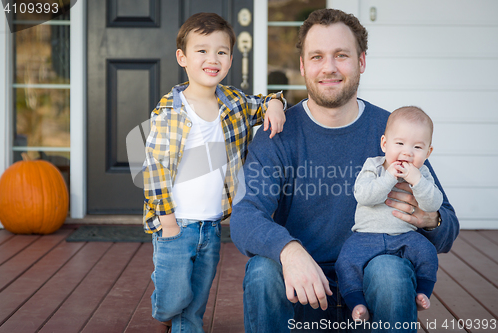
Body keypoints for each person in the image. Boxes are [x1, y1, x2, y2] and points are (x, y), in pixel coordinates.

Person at [230, 8, 459, 333]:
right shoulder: (277, 134)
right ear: (303, 66)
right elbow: (244, 215)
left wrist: (430, 219)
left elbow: (448, 226)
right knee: (262, 272)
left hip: (368, 292)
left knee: (391, 272)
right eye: (317, 56)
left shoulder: (392, 131)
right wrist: (288, 250)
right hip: (302, 292)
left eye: (341, 55)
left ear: (361, 61)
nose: (329, 67)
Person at [142, 12, 286, 333]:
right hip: (175, 224)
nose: (212, 59)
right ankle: (164, 303)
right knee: (174, 297)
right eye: (202, 50)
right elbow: (154, 170)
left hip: (211, 224)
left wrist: (274, 104)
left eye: (221, 52)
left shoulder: (233, 102)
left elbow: (261, 102)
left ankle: (184, 323)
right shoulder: (170, 111)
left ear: (231, 58)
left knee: (196, 299)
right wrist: (166, 223)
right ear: (183, 57)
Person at [335, 106, 443, 323]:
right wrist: (389, 178)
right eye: (400, 143)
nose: (407, 152)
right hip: (366, 236)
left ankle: (423, 290)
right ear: (385, 144)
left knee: (428, 252)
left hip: (404, 237)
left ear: (428, 153)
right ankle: (356, 302)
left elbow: (434, 204)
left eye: (417, 147)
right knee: (345, 261)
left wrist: (417, 181)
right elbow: (363, 196)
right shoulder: (373, 167)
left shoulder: (421, 173)